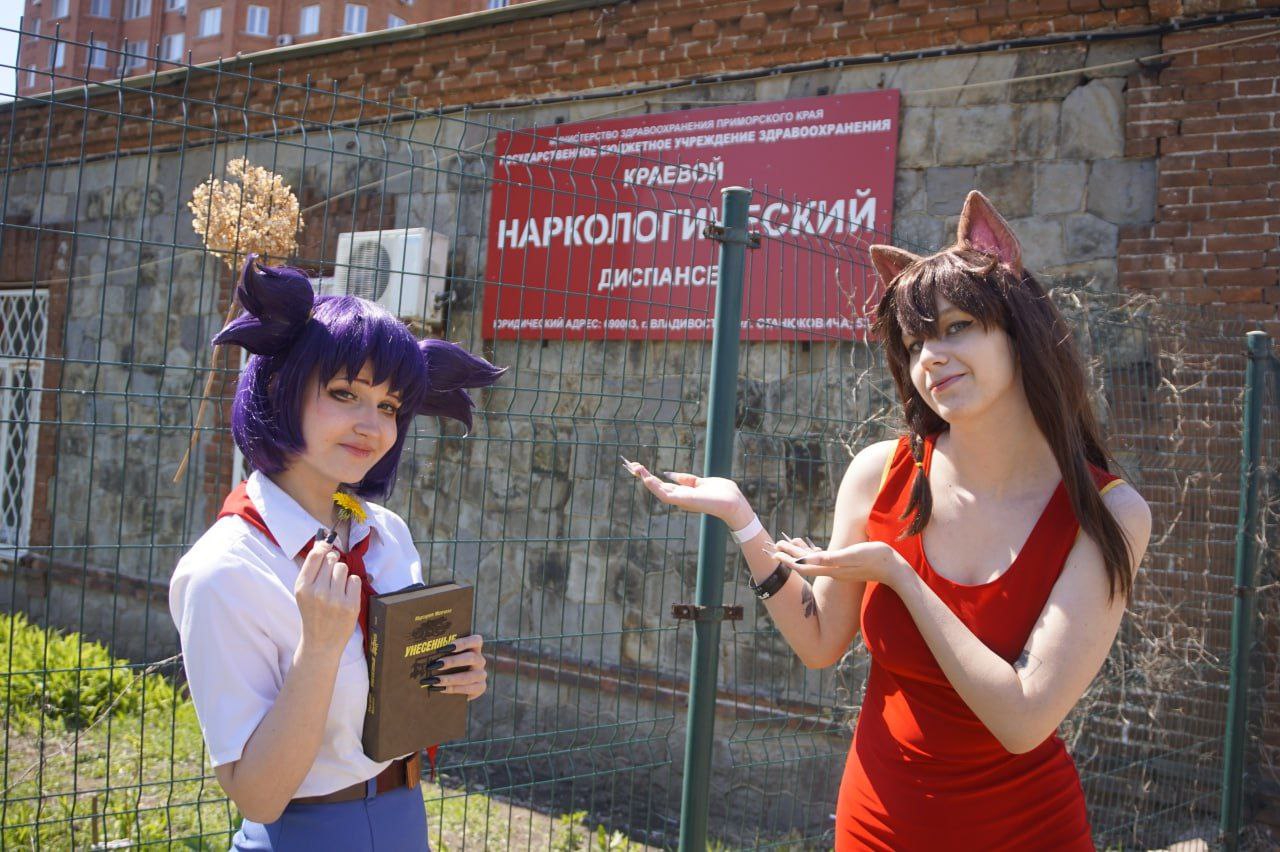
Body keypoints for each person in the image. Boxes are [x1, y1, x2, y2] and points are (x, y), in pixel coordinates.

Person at [625, 191, 1152, 851]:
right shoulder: (880, 473)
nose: (930, 356)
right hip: (876, 825)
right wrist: (744, 522)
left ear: (1019, 326)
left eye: (958, 326)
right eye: (914, 342)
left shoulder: (1109, 512)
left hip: (1025, 832)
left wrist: (901, 576)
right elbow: (820, 642)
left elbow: (1023, 720)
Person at [169, 257, 505, 851]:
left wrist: (450, 675)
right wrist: (319, 649)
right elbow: (258, 797)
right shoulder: (224, 570)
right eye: (345, 393)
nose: (371, 427)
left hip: (405, 818)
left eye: (389, 406)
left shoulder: (386, 533)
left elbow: (393, 692)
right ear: (281, 387)